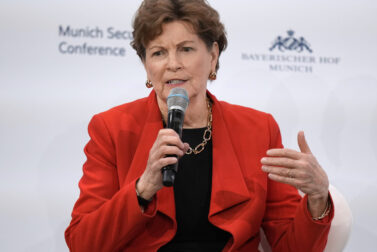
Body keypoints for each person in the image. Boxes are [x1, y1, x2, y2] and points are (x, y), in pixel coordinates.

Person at [65, 0, 334, 251]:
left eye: (186, 49)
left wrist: (317, 197)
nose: (173, 64)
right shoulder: (112, 129)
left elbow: (291, 246)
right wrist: (143, 188)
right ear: (146, 66)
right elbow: (82, 242)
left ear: (213, 56)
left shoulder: (258, 129)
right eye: (158, 52)